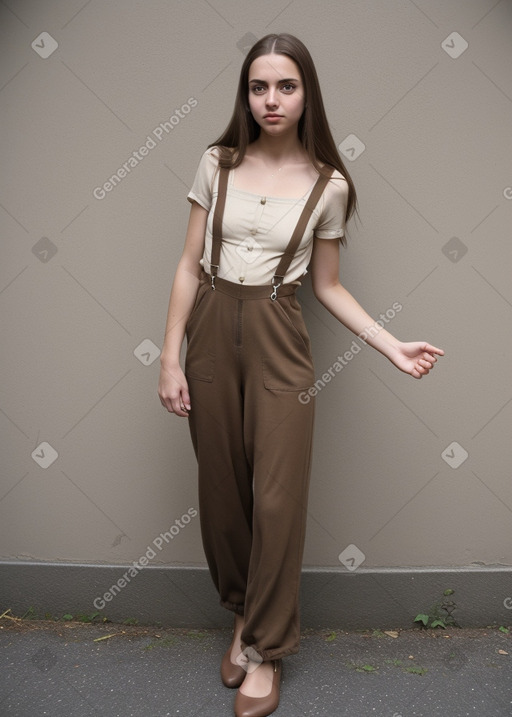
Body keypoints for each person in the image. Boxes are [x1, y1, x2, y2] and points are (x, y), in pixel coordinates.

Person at [158, 32, 444, 717]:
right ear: (245, 94)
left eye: (286, 86)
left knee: (278, 500)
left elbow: (329, 286)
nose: (271, 99)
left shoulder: (329, 184)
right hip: (208, 335)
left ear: (307, 92)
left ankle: (267, 650)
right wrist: (169, 356)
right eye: (259, 87)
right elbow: (187, 263)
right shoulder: (216, 162)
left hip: (279, 337)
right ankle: (242, 616)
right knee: (223, 491)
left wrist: (391, 344)